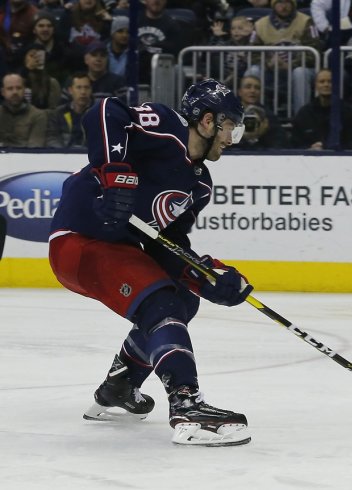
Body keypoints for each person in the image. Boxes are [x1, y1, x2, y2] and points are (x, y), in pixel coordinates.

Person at [47, 78, 253, 447]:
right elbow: (105, 111)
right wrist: (116, 175)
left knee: (183, 298)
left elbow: (166, 246)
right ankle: (187, 403)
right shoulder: (166, 127)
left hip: (116, 250)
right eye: (229, 127)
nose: (230, 138)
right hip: (79, 239)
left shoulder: (199, 185)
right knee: (162, 304)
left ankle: (121, 385)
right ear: (207, 121)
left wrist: (206, 276)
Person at [253, 0, 323, 114]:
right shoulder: (260, 24)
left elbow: (315, 51)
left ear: (293, 4)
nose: (283, 6)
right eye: (280, 2)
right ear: (274, 5)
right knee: (253, 71)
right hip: (270, 70)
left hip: (299, 68)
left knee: (300, 73)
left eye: (287, 2)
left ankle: (301, 117)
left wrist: (292, 64)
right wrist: (268, 63)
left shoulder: (306, 21)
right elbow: (252, 54)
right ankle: (256, 114)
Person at [291, 68, 352, 150]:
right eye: (322, 82)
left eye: (330, 81)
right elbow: (295, 144)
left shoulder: (348, 112)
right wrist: (309, 149)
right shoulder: (304, 113)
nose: (326, 85)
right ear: (316, 85)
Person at [233, 74, 288, 149]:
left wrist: (261, 134)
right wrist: (244, 138)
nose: (253, 91)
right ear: (240, 92)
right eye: (248, 87)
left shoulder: (268, 116)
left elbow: (279, 143)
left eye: (257, 88)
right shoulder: (228, 114)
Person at [136, 0, 184, 85]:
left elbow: (176, 52)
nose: (156, 1)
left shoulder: (172, 25)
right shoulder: (135, 21)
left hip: (163, 70)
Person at [56, 0, 112, 71]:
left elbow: (106, 43)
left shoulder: (104, 18)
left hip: (96, 65)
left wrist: (109, 22)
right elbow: (61, 40)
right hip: (71, 64)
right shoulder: (68, 14)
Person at [46, 72, 94, 149]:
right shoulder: (57, 113)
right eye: (79, 87)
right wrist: (65, 154)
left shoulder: (100, 114)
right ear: (70, 90)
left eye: (86, 87)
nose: (83, 92)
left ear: (91, 90)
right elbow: (52, 139)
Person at [0, 73, 48, 148]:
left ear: (24, 90)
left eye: (19, 88)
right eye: (10, 88)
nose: (15, 92)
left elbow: (35, 148)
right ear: (3, 92)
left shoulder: (38, 115)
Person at [19, 43, 62, 110]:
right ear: (25, 58)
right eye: (32, 55)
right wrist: (26, 69)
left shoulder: (51, 83)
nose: (36, 59)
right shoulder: (18, 78)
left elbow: (53, 110)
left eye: (39, 56)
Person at [0, 0, 40, 73]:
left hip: (24, 65)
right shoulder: (2, 11)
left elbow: (39, 44)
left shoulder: (34, 14)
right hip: (3, 62)